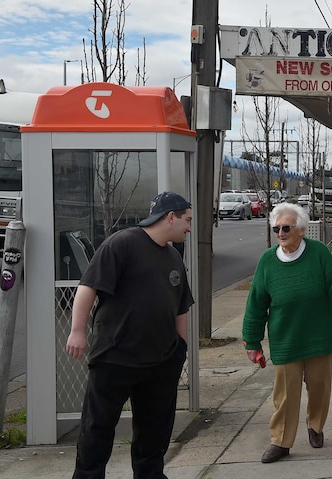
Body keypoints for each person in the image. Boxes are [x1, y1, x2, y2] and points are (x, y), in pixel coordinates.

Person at [65, 191, 194, 479]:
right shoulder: (122, 244)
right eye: (186, 220)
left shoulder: (173, 256)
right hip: (115, 357)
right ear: (170, 217)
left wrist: (180, 349)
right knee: (97, 428)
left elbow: (181, 304)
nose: (188, 226)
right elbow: (88, 287)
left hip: (160, 362)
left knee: (154, 432)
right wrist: (77, 331)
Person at [242, 202, 332, 464]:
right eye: (276, 228)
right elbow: (256, 304)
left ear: (302, 230)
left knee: (319, 388)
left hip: (320, 337)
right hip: (286, 339)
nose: (280, 233)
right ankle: (280, 441)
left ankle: (315, 426)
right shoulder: (268, 261)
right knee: (284, 395)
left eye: (286, 228)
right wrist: (252, 340)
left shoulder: (318, 254)